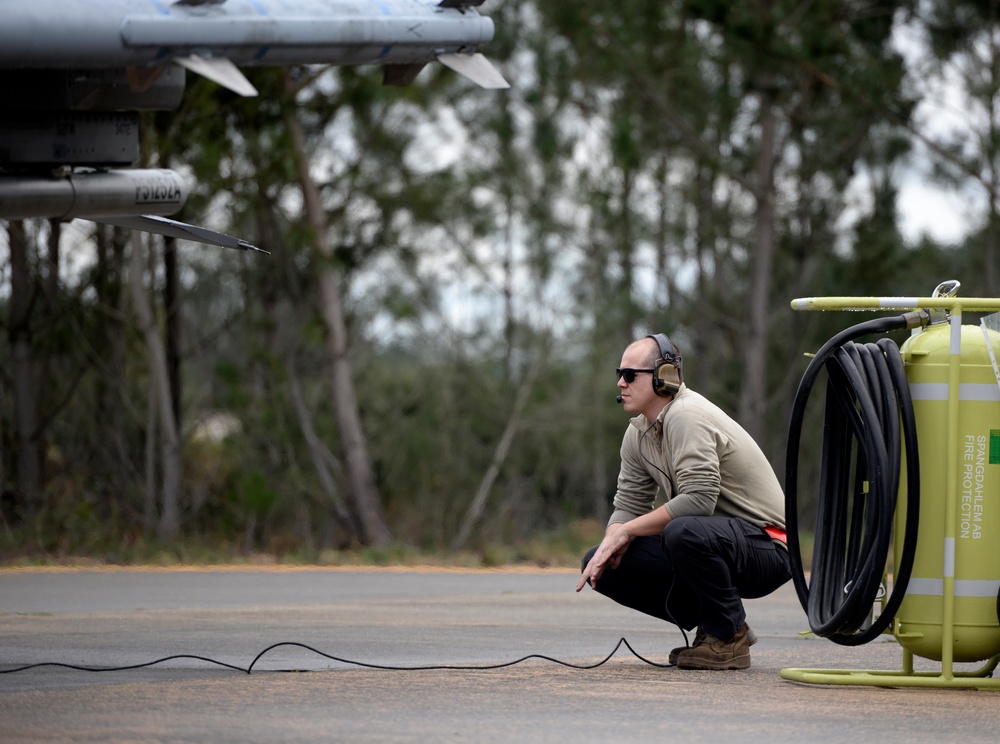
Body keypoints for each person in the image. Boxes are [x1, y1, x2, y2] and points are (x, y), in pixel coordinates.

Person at [576, 333, 790, 670]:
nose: (621, 382)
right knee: (601, 566)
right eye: (619, 373)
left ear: (664, 377)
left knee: (683, 531)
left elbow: (699, 500)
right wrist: (612, 539)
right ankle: (718, 626)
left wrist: (626, 532)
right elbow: (629, 503)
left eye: (630, 375)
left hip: (768, 546)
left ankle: (727, 636)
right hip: (715, 540)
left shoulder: (686, 415)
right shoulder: (638, 433)